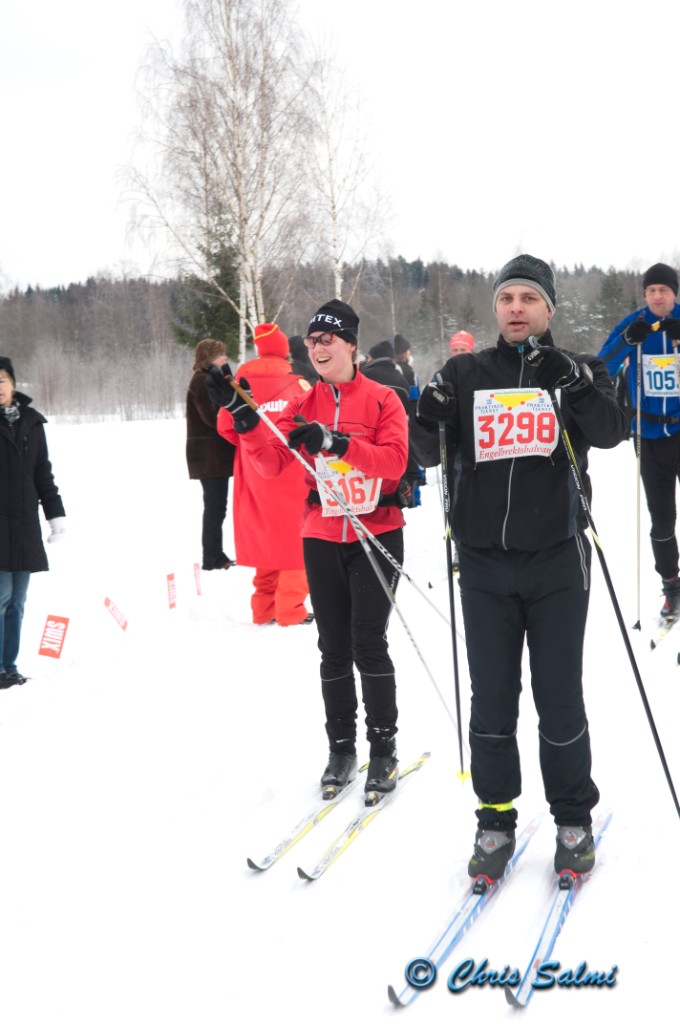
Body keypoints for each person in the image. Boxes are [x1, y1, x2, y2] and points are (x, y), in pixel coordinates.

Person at [417, 254, 627, 880]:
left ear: (549, 310)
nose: (515, 309)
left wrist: (577, 382)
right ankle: (494, 820)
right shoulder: (464, 372)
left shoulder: (577, 369)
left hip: (558, 561)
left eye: (528, 300)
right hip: (483, 566)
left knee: (559, 697)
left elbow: (614, 431)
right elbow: (426, 452)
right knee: (492, 701)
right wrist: (425, 413)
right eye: (506, 298)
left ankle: (571, 818)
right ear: (496, 310)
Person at [207, 300, 409, 802]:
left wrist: (337, 443)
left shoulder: (385, 398)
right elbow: (274, 464)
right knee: (333, 646)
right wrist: (246, 422)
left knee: (368, 641)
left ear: (351, 346)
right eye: (312, 341)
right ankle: (341, 749)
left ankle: (383, 749)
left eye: (328, 340)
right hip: (321, 533)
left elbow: (394, 464)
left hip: (376, 532)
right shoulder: (302, 402)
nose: (317, 348)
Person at [216, 323, 313, 627]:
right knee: (298, 538)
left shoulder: (240, 382)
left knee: (267, 538)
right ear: (285, 350)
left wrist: (249, 446)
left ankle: (263, 608)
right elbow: (312, 423)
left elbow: (225, 426)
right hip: (292, 468)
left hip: (254, 469)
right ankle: (291, 609)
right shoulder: (298, 383)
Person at [598, 263, 680, 619]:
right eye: (651, 291)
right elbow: (602, 364)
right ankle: (672, 586)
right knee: (661, 518)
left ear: (674, 293)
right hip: (648, 437)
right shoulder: (635, 323)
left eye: (664, 290)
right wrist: (627, 340)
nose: (657, 296)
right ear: (644, 295)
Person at [0, 357, 66, 687]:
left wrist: (55, 514)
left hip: (24, 525)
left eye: (1, 380)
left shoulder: (31, 422)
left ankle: (8, 666)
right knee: (1, 597)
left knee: (18, 602)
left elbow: (43, 472)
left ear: (12, 383)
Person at [186, 339, 236, 572]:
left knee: (217, 507)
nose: (224, 358)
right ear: (209, 357)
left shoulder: (208, 379)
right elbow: (213, 418)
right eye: (220, 355)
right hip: (210, 457)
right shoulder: (203, 381)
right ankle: (212, 557)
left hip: (212, 457)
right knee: (215, 507)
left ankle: (215, 554)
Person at [363, 339, 421, 507]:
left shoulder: (363, 375)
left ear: (372, 357)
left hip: (367, 440)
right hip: (396, 439)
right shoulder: (402, 379)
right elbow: (412, 409)